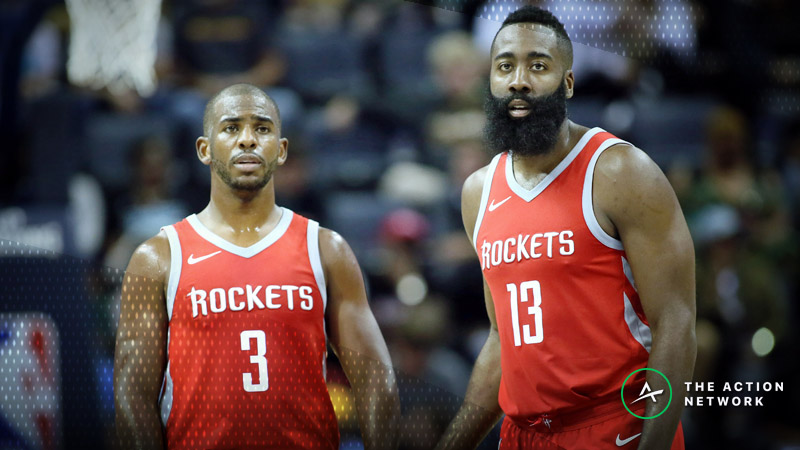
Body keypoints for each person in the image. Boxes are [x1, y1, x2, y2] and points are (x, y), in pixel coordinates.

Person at [436, 7, 696, 450]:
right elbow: (504, 341)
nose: (519, 79)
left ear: (568, 83)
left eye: (538, 65)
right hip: (522, 435)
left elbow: (676, 324)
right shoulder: (478, 192)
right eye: (505, 66)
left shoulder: (619, 170)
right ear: (491, 82)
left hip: (614, 425)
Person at [114, 83, 399, 450]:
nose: (247, 140)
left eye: (262, 129)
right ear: (204, 149)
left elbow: (376, 377)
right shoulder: (157, 258)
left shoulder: (327, 249)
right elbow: (132, 394)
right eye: (231, 128)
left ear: (281, 151)